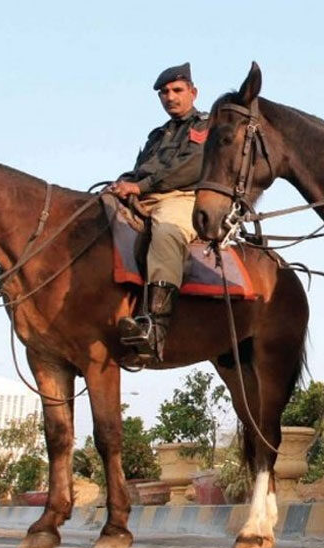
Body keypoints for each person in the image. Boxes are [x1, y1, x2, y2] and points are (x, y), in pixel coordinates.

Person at [110, 62, 208, 361]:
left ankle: (155, 327)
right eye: (164, 92)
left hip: (182, 197)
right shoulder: (158, 134)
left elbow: (190, 168)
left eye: (177, 90)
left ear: (193, 92)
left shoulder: (206, 126)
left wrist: (141, 187)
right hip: (143, 197)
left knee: (166, 231)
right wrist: (123, 182)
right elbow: (142, 169)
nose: (170, 97)